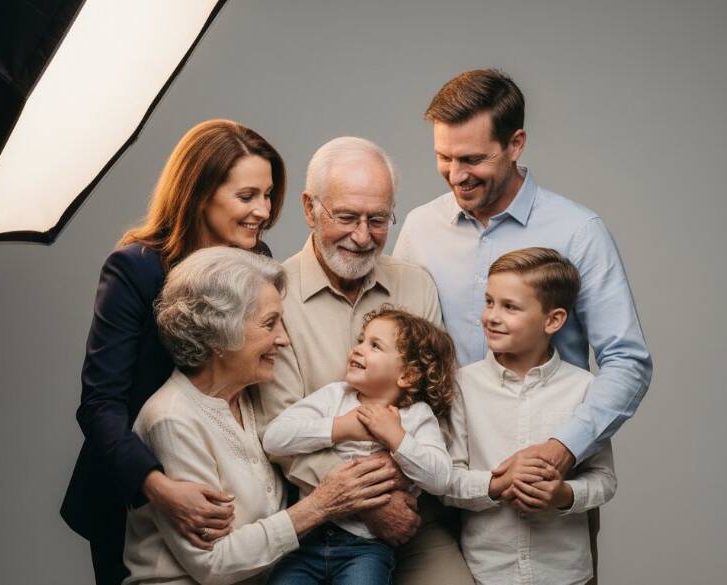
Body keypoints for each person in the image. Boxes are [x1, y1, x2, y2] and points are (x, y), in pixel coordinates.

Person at [393, 70, 651, 576]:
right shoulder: (421, 229)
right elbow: (398, 343)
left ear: (516, 144)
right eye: (444, 157)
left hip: (547, 494)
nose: (455, 174)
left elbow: (627, 361)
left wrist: (561, 451)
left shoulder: (578, 231)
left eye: (472, 159)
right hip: (438, 481)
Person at [61, 119, 288, 585]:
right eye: (247, 197)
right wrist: (157, 487)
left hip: (220, 476)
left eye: (268, 195)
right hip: (135, 489)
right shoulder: (135, 269)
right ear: (200, 192)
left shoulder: (256, 257)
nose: (263, 211)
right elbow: (100, 404)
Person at [254, 137, 475, 585]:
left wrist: (399, 487)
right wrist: (371, 503)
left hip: (412, 511)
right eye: (347, 217)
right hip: (316, 519)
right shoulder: (273, 294)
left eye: (377, 220)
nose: (362, 236)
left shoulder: (416, 286)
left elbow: (438, 405)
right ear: (310, 208)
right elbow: (277, 432)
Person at [123, 247, 396, 585]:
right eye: (270, 324)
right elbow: (213, 563)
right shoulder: (172, 419)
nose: (282, 338)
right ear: (220, 334)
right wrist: (320, 505)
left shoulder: (248, 398)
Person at [444, 248, 616, 585]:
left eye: (510, 307)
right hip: (486, 572)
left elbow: (605, 480)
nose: (491, 316)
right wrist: (497, 484)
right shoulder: (463, 385)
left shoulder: (584, 389)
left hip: (565, 573)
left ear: (553, 320)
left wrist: (564, 494)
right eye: (489, 301)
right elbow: (446, 481)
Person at [262, 307, 457, 584]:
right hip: (308, 536)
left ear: (408, 376)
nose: (358, 349)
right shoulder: (335, 397)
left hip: (366, 549)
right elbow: (275, 438)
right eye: (361, 340)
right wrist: (342, 427)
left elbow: (440, 479)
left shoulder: (416, 417)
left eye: (375, 346)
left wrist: (397, 439)